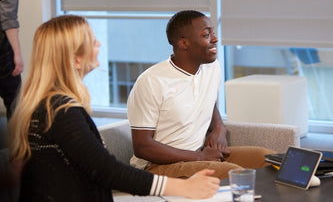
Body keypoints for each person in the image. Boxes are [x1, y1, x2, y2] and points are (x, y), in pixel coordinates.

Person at [7, 15, 219, 202]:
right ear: (75, 60)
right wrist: (184, 187)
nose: (99, 44)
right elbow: (106, 170)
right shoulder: (60, 111)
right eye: (91, 41)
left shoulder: (50, 105)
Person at [127, 10, 275, 180]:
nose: (215, 39)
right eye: (206, 34)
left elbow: (207, 101)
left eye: (213, 32)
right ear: (184, 43)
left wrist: (219, 127)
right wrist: (198, 158)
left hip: (199, 154)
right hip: (157, 166)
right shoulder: (151, 82)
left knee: (269, 158)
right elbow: (142, 146)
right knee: (236, 175)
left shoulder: (212, 67)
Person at [0, 0, 22, 120]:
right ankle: (18, 148)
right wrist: (17, 54)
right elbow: (8, 20)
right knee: (15, 102)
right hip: (2, 54)